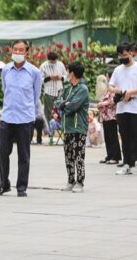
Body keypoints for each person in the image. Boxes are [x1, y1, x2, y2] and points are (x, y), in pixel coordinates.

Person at [0, 40, 41, 198]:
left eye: (21, 50)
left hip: (25, 119)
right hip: (7, 117)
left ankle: (21, 187)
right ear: (11, 51)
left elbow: (36, 95)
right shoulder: (6, 70)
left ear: (27, 52)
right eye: (15, 49)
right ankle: (4, 184)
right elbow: (5, 89)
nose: (18, 52)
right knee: (2, 152)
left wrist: (31, 114)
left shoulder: (34, 72)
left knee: (24, 155)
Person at [109, 43, 137, 176]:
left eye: (125, 54)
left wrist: (130, 93)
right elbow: (110, 87)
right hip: (121, 108)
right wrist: (121, 92)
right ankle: (127, 164)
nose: (122, 57)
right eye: (120, 55)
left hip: (135, 108)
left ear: (131, 53)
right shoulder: (117, 70)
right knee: (124, 137)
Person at [56, 62, 90, 192]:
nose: (66, 74)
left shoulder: (82, 89)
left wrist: (64, 104)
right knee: (68, 156)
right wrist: (64, 103)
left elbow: (73, 106)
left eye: (67, 71)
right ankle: (70, 181)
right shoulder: (67, 88)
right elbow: (58, 101)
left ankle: (80, 182)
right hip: (67, 127)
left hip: (78, 128)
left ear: (72, 73)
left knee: (79, 156)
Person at [38, 52, 67, 145]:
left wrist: (60, 77)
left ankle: (63, 133)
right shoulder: (43, 66)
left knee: (61, 111)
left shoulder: (61, 64)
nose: (53, 62)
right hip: (48, 92)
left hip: (59, 91)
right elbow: (40, 79)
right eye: (52, 61)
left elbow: (66, 77)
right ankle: (51, 136)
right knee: (49, 113)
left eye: (55, 61)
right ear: (48, 59)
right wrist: (50, 78)